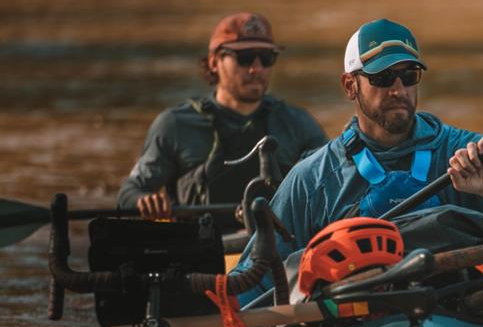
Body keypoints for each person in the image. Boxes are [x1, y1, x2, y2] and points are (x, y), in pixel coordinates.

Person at [254, 17, 483, 263]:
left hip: (457, 312)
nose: (398, 89)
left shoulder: (466, 151)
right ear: (350, 86)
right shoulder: (313, 178)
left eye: (409, 75)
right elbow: (258, 270)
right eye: (383, 78)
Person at [117, 12, 327, 221]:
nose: (256, 69)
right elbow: (130, 193)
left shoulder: (298, 123)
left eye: (266, 58)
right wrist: (144, 201)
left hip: (278, 247)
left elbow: (330, 180)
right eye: (244, 58)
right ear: (213, 62)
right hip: (203, 247)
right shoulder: (174, 124)